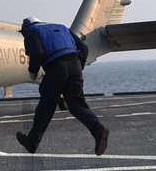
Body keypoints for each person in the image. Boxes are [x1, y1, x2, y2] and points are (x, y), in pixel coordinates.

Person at [16, 17, 109, 155]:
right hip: (75, 64)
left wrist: (33, 72)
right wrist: (79, 67)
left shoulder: (31, 31)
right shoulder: (62, 27)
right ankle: (98, 129)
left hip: (56, 66)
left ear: (25, 27)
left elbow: (37, 54)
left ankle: (32, 142)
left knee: (46, 106)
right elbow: (84, 48)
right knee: (77, 105)